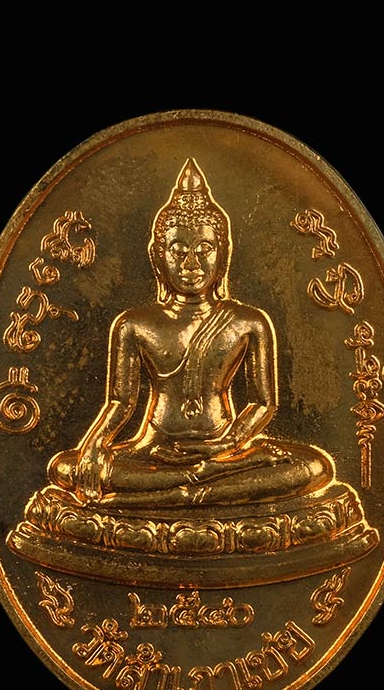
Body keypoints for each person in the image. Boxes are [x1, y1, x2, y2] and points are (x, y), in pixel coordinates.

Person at [48, 158, 334, 508]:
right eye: (179, 251)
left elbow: (263, 403)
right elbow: (121, 403)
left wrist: (225, 446)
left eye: (204, 250)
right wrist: (94, 446)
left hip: (224, 449)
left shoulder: (248, 322)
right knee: (66, 468)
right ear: (158, 256)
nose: (191, 264)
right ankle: (194, 486)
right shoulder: (134, 324)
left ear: (222, 254)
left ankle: (178, 490)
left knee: (314, 467)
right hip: (154, 451)